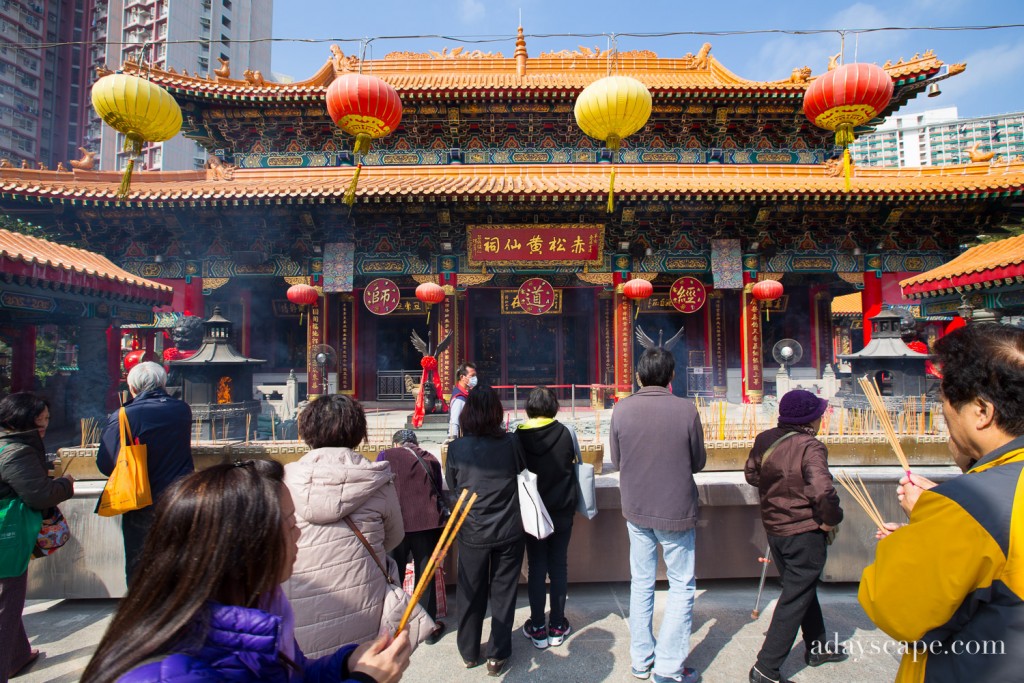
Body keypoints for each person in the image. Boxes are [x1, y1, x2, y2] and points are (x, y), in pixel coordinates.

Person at [80, 460, 412, 683]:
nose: (299, 533)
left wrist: (344, 665)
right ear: (248, 542)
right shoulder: (174, 673)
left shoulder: (259, 608)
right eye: (290, 522)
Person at [859, 323, 1024, 682]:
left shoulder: (966, 506)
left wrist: (926, 523)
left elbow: (897, 609)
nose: (943, 413)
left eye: (945, 399)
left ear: (982, 411)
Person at [284, 395, 412, 656]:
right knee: (357, 667)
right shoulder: (377, 481)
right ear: (358, 431)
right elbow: (394, 537)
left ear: (307, 429)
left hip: (297, 604)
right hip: (363, 601)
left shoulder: (284, 482)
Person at [609, 347, 706, 683]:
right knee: (680, 585)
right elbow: (698, 461)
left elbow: (617, 460)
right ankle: (667, 667)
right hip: (676, 508)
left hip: (636, 508)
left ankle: (641, 660)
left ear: (639, 376)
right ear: (671, 376)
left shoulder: (621, 410)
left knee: (642, 583)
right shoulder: (686, 410)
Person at [744, 389, 846, 683]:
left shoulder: (765, 439)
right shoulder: (810, 447)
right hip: (804, 532)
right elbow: (823, 491)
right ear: (810, 419)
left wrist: (778, 487)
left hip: (775, 529)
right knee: (794, 596)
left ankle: (817, 646)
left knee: (801, 587)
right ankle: (766, 668)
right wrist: (830, 521)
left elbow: (752, 474)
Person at [445, 385, 524, 676]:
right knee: (503, 593)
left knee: (470, 591)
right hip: (508, 528)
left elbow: (453, 487)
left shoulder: (456, 448)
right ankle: (497, 654)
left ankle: (468, 650)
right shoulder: (512, 443)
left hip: (473, 530)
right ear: (496, 412)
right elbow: (521, 473)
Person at [96, 361, 193, 586]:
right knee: (177, 558)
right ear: (163, 383)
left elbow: (106, 462)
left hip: (142, 499)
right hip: (180, 495)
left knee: (141, 562)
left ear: (132, 387)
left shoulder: (124, 415)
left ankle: (143, 611)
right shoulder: (181, 409)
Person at [0, 393, 74, 681]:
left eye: (46, 423)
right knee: (7, 604)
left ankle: (17, 657)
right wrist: (65, 485)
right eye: (40, 424)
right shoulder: (15, 452)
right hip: (7, 535)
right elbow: (39, 495)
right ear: (20, 421)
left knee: (10, 600)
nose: (44, 429)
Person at [515, 386, 579, 650]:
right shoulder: (566, 432)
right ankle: (557, 624)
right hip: (562, 509)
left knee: (537, 568)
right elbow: (577, 463)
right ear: (554, 407)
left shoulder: (517, 437)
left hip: (533, 512)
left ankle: (538, 626)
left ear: (528, 408)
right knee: (559, 566)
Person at [377, 429, 447, 645]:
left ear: (396, 443)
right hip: (427, 523)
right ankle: (428, 628)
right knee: (425, 574)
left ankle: (395, 625)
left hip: (395, 524)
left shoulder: (385, 456)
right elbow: (438, 488)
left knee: (392, 575)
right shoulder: (429, 458)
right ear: (414, 443)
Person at [447, 362, 477, 440]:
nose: (475, 378)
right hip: (465, 439)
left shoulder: (466, 393)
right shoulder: (459, 398)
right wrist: (454, 441)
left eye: (475, 375)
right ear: (462, 377)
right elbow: (454, 423)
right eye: (472, 376)